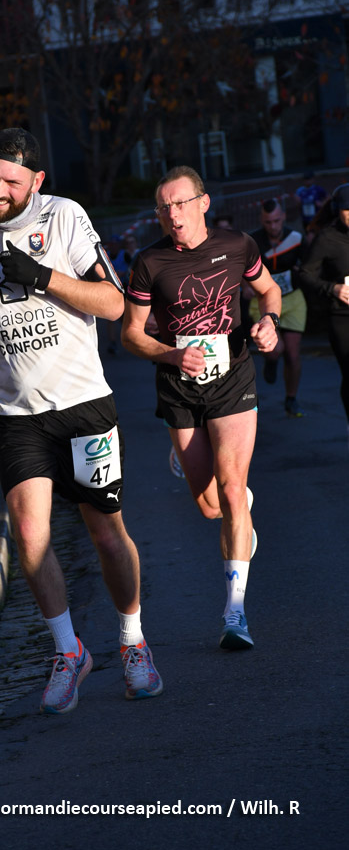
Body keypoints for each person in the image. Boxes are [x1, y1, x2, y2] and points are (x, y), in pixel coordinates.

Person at [0, 127, 163, 714]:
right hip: (18, 412)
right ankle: (69, 651)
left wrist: (43, 276)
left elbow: (114, 302)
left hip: (83, 405)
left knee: (106, 534)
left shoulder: (65, 216)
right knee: (29, 536)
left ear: (37, 181)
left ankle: (133, 641)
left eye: (10, 181)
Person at [121, 165, 282, 651]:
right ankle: (231, 503)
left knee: (231, 489)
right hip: (179, 387)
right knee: (211, 505)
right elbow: (130, 334)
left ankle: (235, 613)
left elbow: (269, 290)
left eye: (181, 203)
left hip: (233, 379)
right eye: (164, 207)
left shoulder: (238, 246)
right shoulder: (150, 262)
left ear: (203, 203)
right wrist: (171, 354)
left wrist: (269, 322)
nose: (172, 214)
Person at [245, 198, 308, 417]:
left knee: (293, 353)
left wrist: (303, 273)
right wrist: (246, 286)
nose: (273, 226)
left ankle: (291, 399)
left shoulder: (296, 238)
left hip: (292, 299)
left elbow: (310, 266)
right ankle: (271, 361)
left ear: (284, 217)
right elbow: (241, 269)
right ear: (261, 220)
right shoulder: (252, 241)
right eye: (268, 222)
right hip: (263, 300)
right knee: (275, 350)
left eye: (277, 221)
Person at [298, 183, 349, 445]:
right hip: (342, 318)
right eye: (348, 210)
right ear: (338, 210)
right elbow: (305, 275)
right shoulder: (327, 239)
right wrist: (333, 288)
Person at [295, 171, 327, 236]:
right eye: (306, 179)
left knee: (315, 235)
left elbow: (328, 197)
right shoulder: (300, 190)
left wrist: (321, 204)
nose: (307, 181)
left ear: (313, 179)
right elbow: (298, 204)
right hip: (306, 218)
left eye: (309, 179)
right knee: (308, 234)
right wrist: (298, 202)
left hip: (316, 217)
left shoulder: (317, 189)